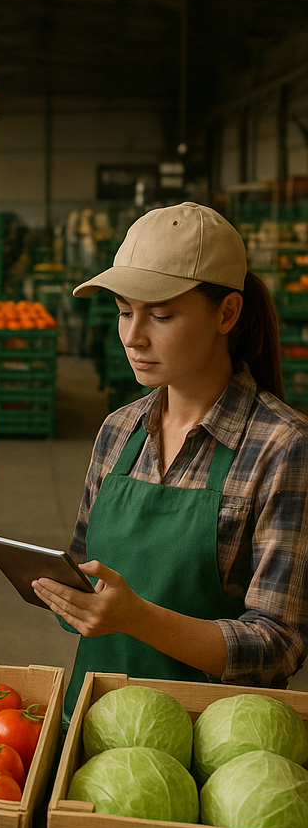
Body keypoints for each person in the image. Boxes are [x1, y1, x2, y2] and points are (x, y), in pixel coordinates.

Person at [33, 202, 308, 722]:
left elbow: (278, 646)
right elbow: (84, 572)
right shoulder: (119, 431)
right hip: (94, 726)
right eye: (123, 311)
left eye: (160, 316)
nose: (133, 336)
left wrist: (138, 618)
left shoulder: (282, 447)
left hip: (209, 746)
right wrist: (68, 595)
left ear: (227, 313)